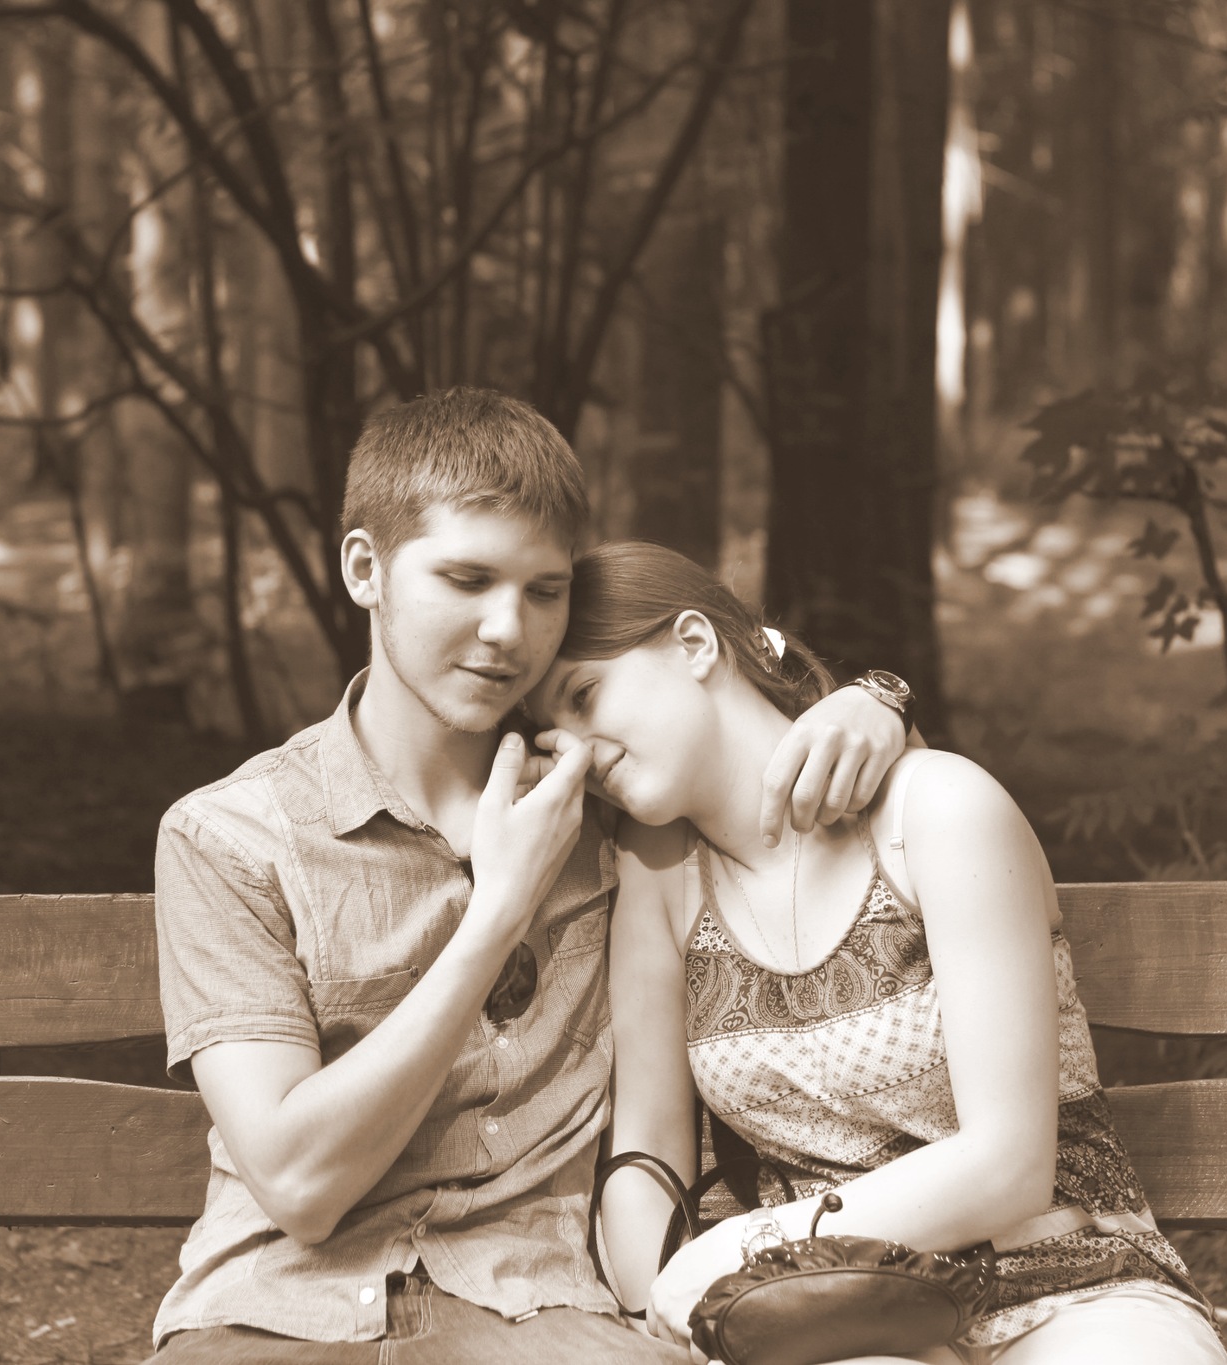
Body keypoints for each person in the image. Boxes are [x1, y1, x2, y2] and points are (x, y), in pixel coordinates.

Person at [145, 389, 912, 1362]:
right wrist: (499, 911)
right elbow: (300, 1186)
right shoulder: (229, 838)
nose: (508, 628)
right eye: (466, 579)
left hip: (541, 1318)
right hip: (275, 1317)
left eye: (544, 591)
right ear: (364, 569)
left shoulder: (620, 807)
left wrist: (877, 704)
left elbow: (798, 801)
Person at [532, 540, 1227, 1365]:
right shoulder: (657, 875)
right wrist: (659, 1300)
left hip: (1069, 1283)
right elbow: (648, 1149)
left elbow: (1010, 1162)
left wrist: (750, 1247)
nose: (575, 750)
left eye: (585, 695)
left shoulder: (936, 809)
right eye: (551, 734)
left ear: (694, 644)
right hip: (836, 1313)